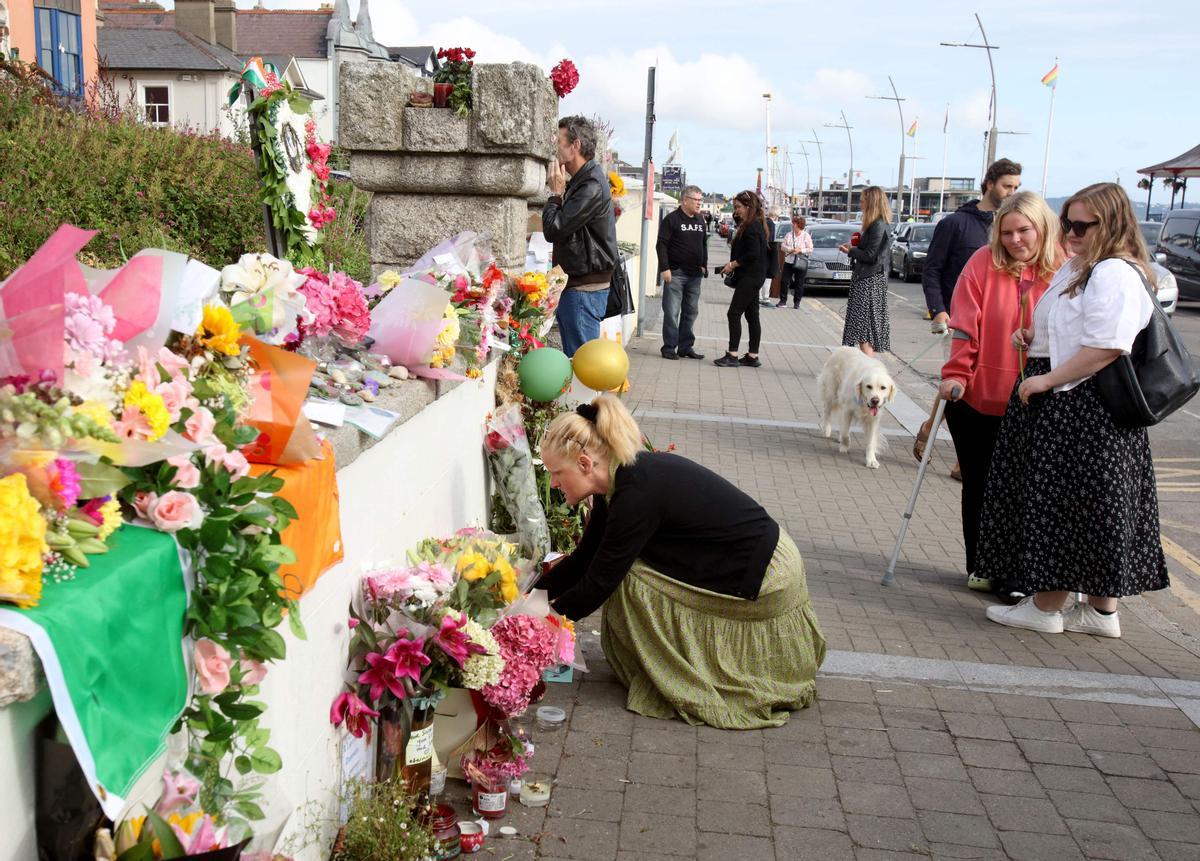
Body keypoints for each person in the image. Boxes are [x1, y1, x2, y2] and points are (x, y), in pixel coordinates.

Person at [535, 394, 826, 728]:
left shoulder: (635, 494)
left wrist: (537, 625)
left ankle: (683, 668)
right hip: (758, 554)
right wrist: (530, 596)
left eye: (557, 472)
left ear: (585, 464)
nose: (554, 483)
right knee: (624, 569)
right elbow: (585, 558)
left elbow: (599, 581)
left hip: (767, 574)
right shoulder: (618, 481)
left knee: (631, 578)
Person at [976, 183, 1169, 638]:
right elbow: (1075, 330)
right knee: (1091, 506)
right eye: (1068, 223)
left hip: (1082, 405)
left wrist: (1044, 378)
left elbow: (1106, 347)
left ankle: (1045, 608)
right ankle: (1102, 612)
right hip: (1077, 402)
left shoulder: (1113, 273)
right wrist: (1035, 340)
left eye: (1083, 225)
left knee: (1066, 505)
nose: (1071, 232)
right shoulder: (1088, 267)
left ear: (1113, 223)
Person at [936, 192, 1061, 598]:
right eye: (1006, 232)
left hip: (1037, 401)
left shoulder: (1063, 269)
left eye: (1024, 230)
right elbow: (964, 328)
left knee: (1028, 490)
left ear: (1042, 228)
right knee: (980, 484)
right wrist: (956, 375)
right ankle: (982, 564)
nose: (1014, 240)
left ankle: (1018, 572)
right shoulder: (980, 264)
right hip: (980, 397)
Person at [543, 115, 618, 357]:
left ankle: (589, 398)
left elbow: (554, 229)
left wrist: (555, 194)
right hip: (579, 285)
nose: (555, 147)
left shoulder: (590, 185)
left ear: (575, 146)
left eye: (559, 141)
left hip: (584, 288)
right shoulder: (584, 180)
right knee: (579, 362)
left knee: (582, 366)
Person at [923, 159, 1023, 332]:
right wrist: (937, 310)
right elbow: (932, 269)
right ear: (990, 184)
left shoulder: (1014, 227)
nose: (1012, 193)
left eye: (1016, 188)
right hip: (959, 321)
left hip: (1003, 323)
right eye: (1007, 186)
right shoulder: (954, 223)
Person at [715, 191, 769, 368]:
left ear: (748, 207)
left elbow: (753, 254)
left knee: (734, 313)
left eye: (738, 207)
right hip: (754, 275)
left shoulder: (753, 226)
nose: (736, 210)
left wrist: (733, 264)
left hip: (750, 276)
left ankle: (732, 354)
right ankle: (752, 356)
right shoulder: (754, 224)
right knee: (752, 315)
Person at [656, 185, 708, 361]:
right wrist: (665, 268)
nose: (699, 203)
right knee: (671, 312)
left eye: (701, 200)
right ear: (685, 200)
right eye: (696, 200)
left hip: (695, 275)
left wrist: (704, 265)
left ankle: (686, 347)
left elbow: (703, 244)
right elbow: (661, 244)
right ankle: (669, 347)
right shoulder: (672, 219)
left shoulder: (700, 220)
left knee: (691, 312)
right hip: (676, 273)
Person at [838, 186, 892, 356]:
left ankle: (868, 370)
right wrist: (854, 247)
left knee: (865, 332)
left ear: (871, 202)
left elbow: (870, 255)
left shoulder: (878, 225)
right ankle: (868, 369)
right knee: (864, 331)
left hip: (869, 281)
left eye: (862, 201)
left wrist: (851, 251)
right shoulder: (876, 224)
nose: (860, 204)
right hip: (868, 278)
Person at [777, 215, 813, 308]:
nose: (792, 225)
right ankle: (783, 301)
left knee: (799, 283)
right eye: (793, 223)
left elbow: (810, 248)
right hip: (789, 262)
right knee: (784, 281)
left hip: (800, 262)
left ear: (799, 224)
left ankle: (797, 303)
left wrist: (800, 250)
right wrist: (790, 249)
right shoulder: (789, 234)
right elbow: (782, 246)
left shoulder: (806, 235)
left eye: (794, 223)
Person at [760, 206, 781, 308]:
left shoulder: (764, 222)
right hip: (768, 254)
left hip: (762, 253)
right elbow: (770, 240)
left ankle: (759, 297)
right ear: (776, 214)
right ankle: (765, 298)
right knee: (768, 277)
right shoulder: (771, 224)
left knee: (762, 276)